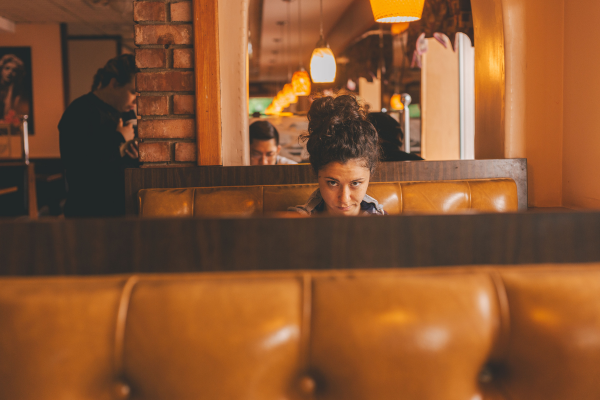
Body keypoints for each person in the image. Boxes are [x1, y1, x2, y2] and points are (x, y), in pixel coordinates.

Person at [59, 54, 140, 217]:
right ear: (114, 83)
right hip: (88, 213)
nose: (136, 101)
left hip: (120, 211)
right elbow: (79, 165)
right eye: (133, 92)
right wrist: (119, 138)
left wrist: (136, 155)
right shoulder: (79, 111)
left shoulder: (123, 113)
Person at [289, 94, 386, 216]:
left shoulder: (385, 224)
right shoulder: (295, 226)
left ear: (370, 174)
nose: (344, 199)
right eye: (333, 183)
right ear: (316, 172)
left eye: (355, 183)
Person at [0, 54, 28, 124]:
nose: (10, 72)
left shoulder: (18, 93)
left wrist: (10, 90)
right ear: (1, 70)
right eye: (7, 68)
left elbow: (8, 117)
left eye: (14, 70)